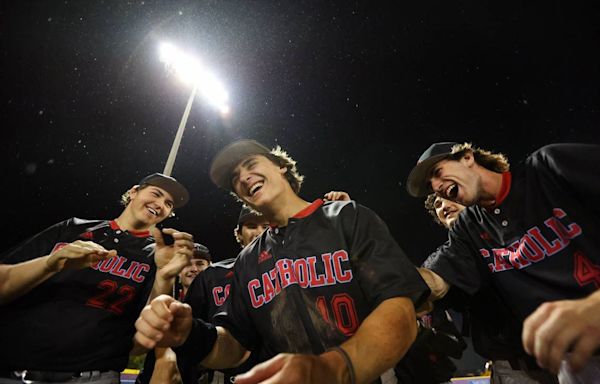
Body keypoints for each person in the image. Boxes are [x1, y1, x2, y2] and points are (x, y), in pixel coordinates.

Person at [135, 139, 430, 384]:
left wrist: (335, 368)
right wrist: (191, 335)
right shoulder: (248, 261)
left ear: (281, 166)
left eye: (250, 165)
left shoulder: (346, 217)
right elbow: (237, 346)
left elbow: (399, 308)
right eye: (235, 179)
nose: (243, 177)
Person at [406, 141, 600, 382]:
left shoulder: (547, 169)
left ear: (467, 157)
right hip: (575, 361)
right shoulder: (469, 229)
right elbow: (436, 280)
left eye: (437, 172)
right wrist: (387, 277)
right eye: (430, 187)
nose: (436, 187)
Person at [0, 173, 194, 384]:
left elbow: (146, 336)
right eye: (156, 194)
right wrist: (50, 264)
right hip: (13, 370)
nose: (160, 204)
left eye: (168, 204)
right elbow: (4, 283)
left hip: (93, 377)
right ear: (133, 192)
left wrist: (165, 276)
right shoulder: (72, 228)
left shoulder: (158, 255)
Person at [424, 194, 558, 383]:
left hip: (574, 351)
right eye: (438, 205)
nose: (444, 206)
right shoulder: (448, 258)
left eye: (449, 197)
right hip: (517, 370)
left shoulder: (518, 227)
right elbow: (431, 288)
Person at [137, 243, 212, 384]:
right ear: (178, 270)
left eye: (200, 263)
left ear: (210, 267)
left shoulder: (220, 305)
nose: (194, 269)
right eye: (187, 264)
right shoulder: (162, 297)